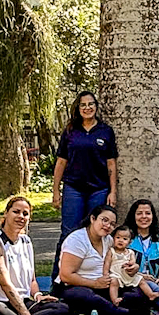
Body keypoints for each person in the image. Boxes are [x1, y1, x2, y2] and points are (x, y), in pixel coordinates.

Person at [0, 194, 71, 315]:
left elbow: (31, 279)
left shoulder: (26, 241)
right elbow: (5, 284)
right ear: (6, 213)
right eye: (16, 212)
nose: (21, 216)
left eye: (25, 214)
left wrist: (38, 295)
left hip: (22, 303)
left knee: (61, 308)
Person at [57, 203, 153, 315]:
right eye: (104, 220)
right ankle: (122, 312)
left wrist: (134, 269)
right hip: (77, 286)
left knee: (136, 294)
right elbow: (65, 276)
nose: (108, 226)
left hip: (106, 285)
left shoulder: (108, 240)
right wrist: (95, 284)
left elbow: (120, 262)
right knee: (89, 297)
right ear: (93, 219)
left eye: (112, 224)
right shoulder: (77, 240)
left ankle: (112, 309)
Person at [51, 91, 119, 243]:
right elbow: (61, 162)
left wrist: (113, 191)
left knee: (95, 232)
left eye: (90, 104)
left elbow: (111, 163)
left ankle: (93, 267)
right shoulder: (70, 131)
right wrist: (56, 190)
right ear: (78, 108)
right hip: (73, 189)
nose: (87, 108)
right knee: (69, 233)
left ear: (96, 106)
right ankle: (61, 267)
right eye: (83, 105)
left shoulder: (106, 131)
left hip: (99, 189)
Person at [120, 200, 159, 315]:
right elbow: (120, 266)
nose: (144, 217)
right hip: (134, 281)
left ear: (153, 216)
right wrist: (143, 276)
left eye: (147, 213)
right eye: (139, 213)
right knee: (157, 291)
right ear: (133, 216)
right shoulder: (126, 239)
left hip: (156, 281)